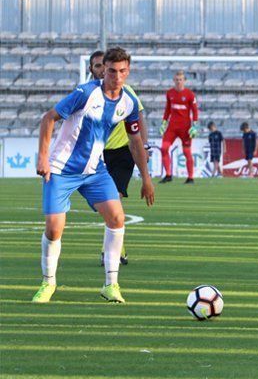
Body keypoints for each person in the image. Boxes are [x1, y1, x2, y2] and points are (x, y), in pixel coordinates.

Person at [32, 47, 154, 304]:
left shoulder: (128, 102)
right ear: (103, 70)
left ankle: (111, 284)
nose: (116, 76)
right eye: (111, 70)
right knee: (54, 230)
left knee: (117, 217)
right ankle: (48, 283)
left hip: (95, 170)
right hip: (61, 169)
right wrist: (43, 156)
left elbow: (135, 142)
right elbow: (48, 118)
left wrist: (146, 178)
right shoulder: (85, 93)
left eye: (122, 71)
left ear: (128, 71)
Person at [88, 50, 150, 267]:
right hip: (96, 153)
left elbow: (138, 118)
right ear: (93, 69)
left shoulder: (127, 92)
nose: (101, 70)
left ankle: (113, 251)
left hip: (122, 152)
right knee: (104, 205)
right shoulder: (86, 93)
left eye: (101, 66)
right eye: (97, 66)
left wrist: (144, 145)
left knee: (115, 198)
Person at [160, 70, 198, 184]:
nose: (178, 82)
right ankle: (168, 175)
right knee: (164, 148)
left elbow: (195, 111)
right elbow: (167, 109)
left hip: (185, 128)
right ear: (174, 81)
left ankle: (190, 177)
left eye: (180, 80)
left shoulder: (190, 94)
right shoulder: (170, 93)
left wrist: (194, 125)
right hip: (172, 127)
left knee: (187, 152)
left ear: (184, 81)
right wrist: (164, 122)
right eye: (176, 80)